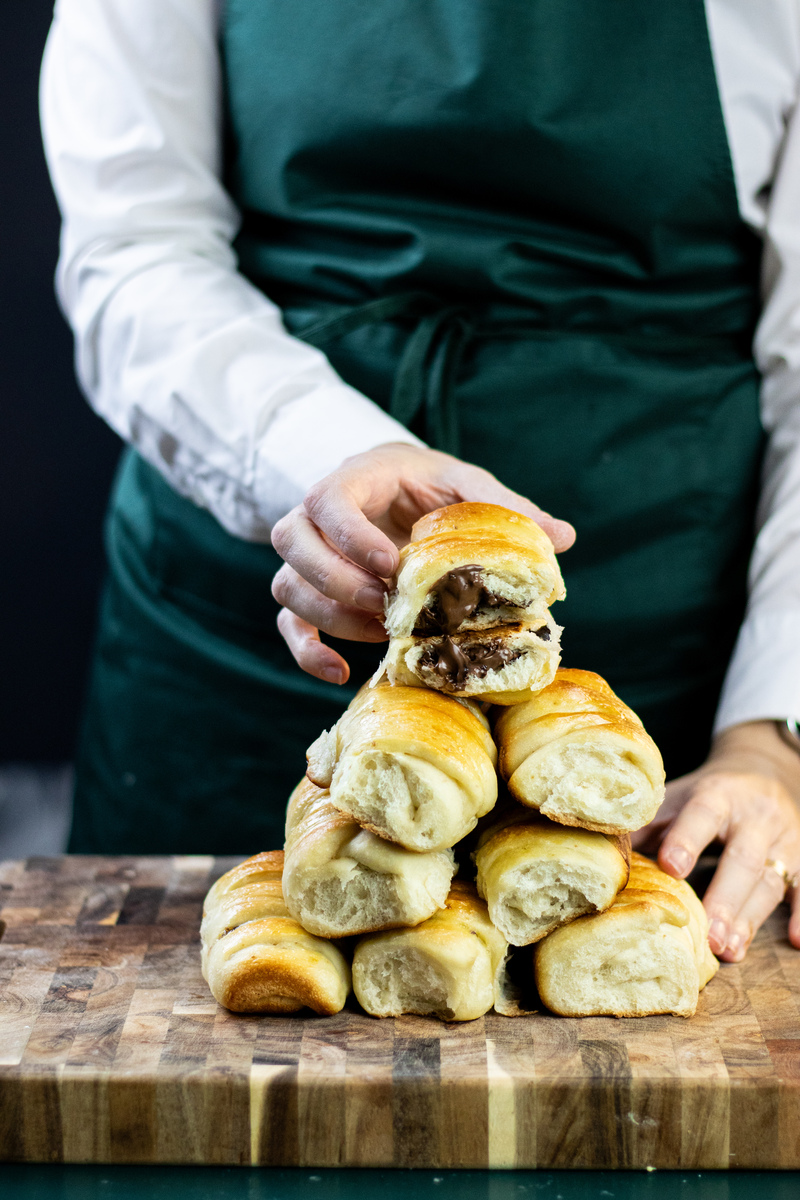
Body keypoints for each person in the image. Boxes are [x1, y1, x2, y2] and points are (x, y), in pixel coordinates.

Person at [41, 0, 800, 964]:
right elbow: (136, 250)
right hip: (241, 651)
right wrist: (319, 455)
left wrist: (777, 733)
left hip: (673, 669)